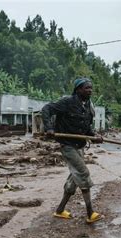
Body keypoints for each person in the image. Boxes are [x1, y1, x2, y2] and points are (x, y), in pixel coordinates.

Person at [41, 77, 103, 224]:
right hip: (67, 145)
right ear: (78, 89)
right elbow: (46, 109)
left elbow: (87, 128)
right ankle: (90, 213)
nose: (90, 90)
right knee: (83, 173)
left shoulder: (88, 106)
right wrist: (49, 128)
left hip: (80, 146)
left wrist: (94, 136)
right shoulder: (67, 102)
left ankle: (60, 210)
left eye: (91, 88)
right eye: (87, 88)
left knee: (74, 179)